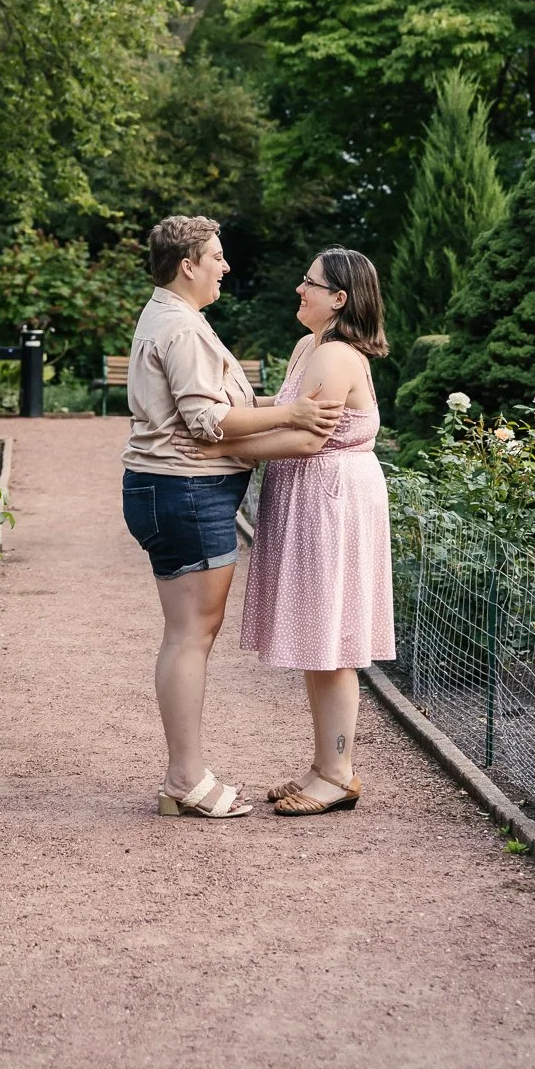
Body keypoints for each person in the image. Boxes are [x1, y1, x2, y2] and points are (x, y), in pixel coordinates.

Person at [122, 214, 342, 820]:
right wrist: (294, 416)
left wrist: (281, 408)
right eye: (216, 256)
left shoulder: (169, 316)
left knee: (190, 633)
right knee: (191, 635)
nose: (225, 266)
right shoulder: (184, 329)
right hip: (186, 493)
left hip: (174, 491)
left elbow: (221, 408)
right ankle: (185, 779)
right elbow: (208, 423)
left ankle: (183, 775)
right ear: (188, 263)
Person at [199, 246, 396, 818]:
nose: (298, 290)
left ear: (339, 299)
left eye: (308, 283)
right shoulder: (309, 347)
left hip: (332, 501)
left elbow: (308, 440)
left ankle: (337, 775)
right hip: (311, 498)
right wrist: (218, 420)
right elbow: (281, 416)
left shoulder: (335, 356)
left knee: (331, 643)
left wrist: (221, 445)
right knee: (319, 641)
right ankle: (323, 765)